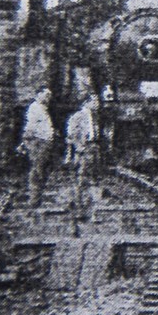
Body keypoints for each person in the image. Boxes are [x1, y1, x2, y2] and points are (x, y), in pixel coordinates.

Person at [64, 96, 98, 232]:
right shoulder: (78, 116)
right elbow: (71, 134)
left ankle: (88, 212)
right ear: (86, 103)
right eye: (94, 101)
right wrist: (79, 147)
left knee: (91, 180)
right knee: (81, 180)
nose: (97, 104)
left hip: (92, 148)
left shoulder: (93, 116)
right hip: (83, 150)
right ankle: (79, 211)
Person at [19, 89, 55, 205]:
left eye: (49, 95)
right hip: (38, 142)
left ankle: (37, 197)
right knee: (37, 170)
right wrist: (28, 143)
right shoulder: (35, 108)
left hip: (45, 142)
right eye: (45, 95)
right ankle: (34, 199)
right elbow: (30, 127)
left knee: (42, 169)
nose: (48, 97)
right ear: (38, 95)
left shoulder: (43, 109)